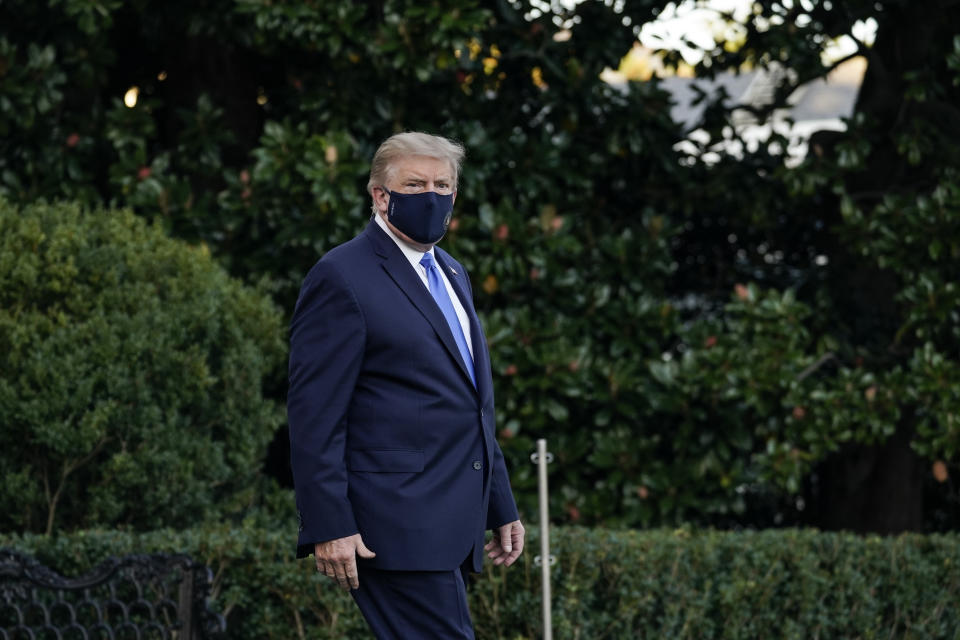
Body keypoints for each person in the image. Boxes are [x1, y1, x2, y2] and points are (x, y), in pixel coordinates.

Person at [287, 131, 525, 639]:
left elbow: (471, 404)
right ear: (380, 194)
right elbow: (315, 418)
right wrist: (329, 524)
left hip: (447, 522)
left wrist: (500, 504)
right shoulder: (341, 276)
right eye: (415, 184)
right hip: (390, 526)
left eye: (443, 184)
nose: (432, 195)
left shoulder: (452, 272)